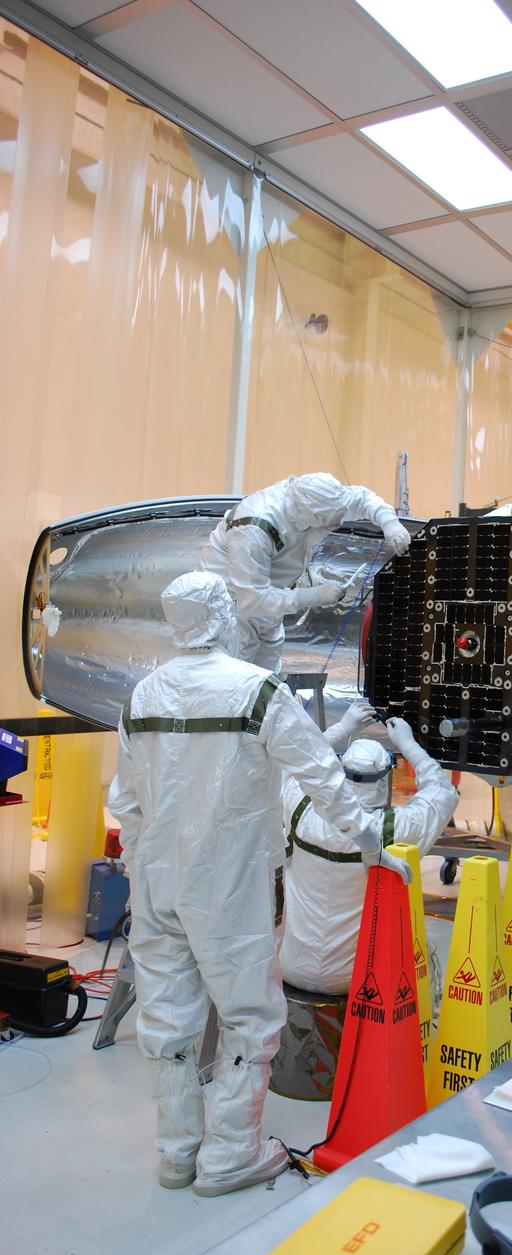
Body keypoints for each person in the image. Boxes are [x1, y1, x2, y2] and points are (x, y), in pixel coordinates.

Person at [107, 572, 411, 1197]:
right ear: (223, 618)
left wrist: (143, 874)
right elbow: (324, 779)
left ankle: (177, 1154)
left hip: (159, 884)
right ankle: (229, 1157)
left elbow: (127, 805)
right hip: (233, 885)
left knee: (167, 1019)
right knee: (249, 1018)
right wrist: (373, 845)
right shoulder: (257, 692)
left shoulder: (141, 697)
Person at [281, 716, 458, 995]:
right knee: (422, 950)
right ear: (384, 778)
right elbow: (443, 793)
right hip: (356, 978)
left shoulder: (300, 809)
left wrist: (344, 726)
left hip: (290, 964)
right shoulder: (394, 830)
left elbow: (295, 760)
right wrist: (409, 745)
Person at [197, 471, 411, 668]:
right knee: (237, 682)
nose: (337, 524)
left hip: (270, 603)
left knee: (267, 683)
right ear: (310, 516)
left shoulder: (322, 498)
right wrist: (314, 595)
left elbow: (363, 499)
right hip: (231, 609)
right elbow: (252, 598)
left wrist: (389, 523)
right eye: (330, 522)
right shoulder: (255, 529)